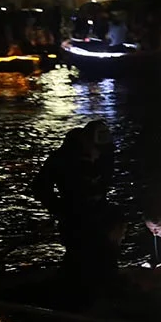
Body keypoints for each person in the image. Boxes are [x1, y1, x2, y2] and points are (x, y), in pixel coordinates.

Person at [31, 119, 121, 307]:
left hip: (98, 215)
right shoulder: (62, 159)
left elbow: (101, 185)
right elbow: (40, 187)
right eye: (97, 150)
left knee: (105, 255)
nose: (100, 155)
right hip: (75, 218)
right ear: (87, 143)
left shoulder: (105, 156)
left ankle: (105, 297)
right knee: (80, 257)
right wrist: (58, 208)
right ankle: (75, 302)